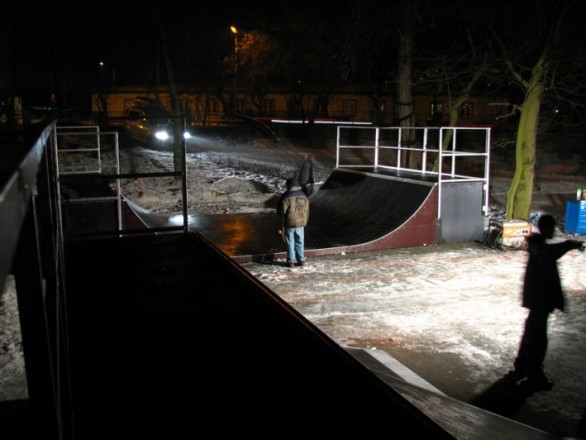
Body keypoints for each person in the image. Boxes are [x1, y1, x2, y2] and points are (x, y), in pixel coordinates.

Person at [506, 214, 583, 390]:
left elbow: (552, 251)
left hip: (538, 302)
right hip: (540, 301)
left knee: (531, 335)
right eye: (552, 227)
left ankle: (523, 367)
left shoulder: (538, 245)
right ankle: (533, 373)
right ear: (546, 228)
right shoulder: (540, 248)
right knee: (537, 339)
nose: (554, 231)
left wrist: (570, 245)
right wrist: (571, 244)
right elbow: (551, 253)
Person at [277, 177, 310, 268]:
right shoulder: (304, 196)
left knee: (290, 241)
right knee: (300, 241)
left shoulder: (286, 196)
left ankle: (291, 261)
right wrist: (305, 220)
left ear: (288, 185)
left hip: (289, 223)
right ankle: (301, 260)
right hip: (301, 222)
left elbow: (281, 211)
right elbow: (307, 210)